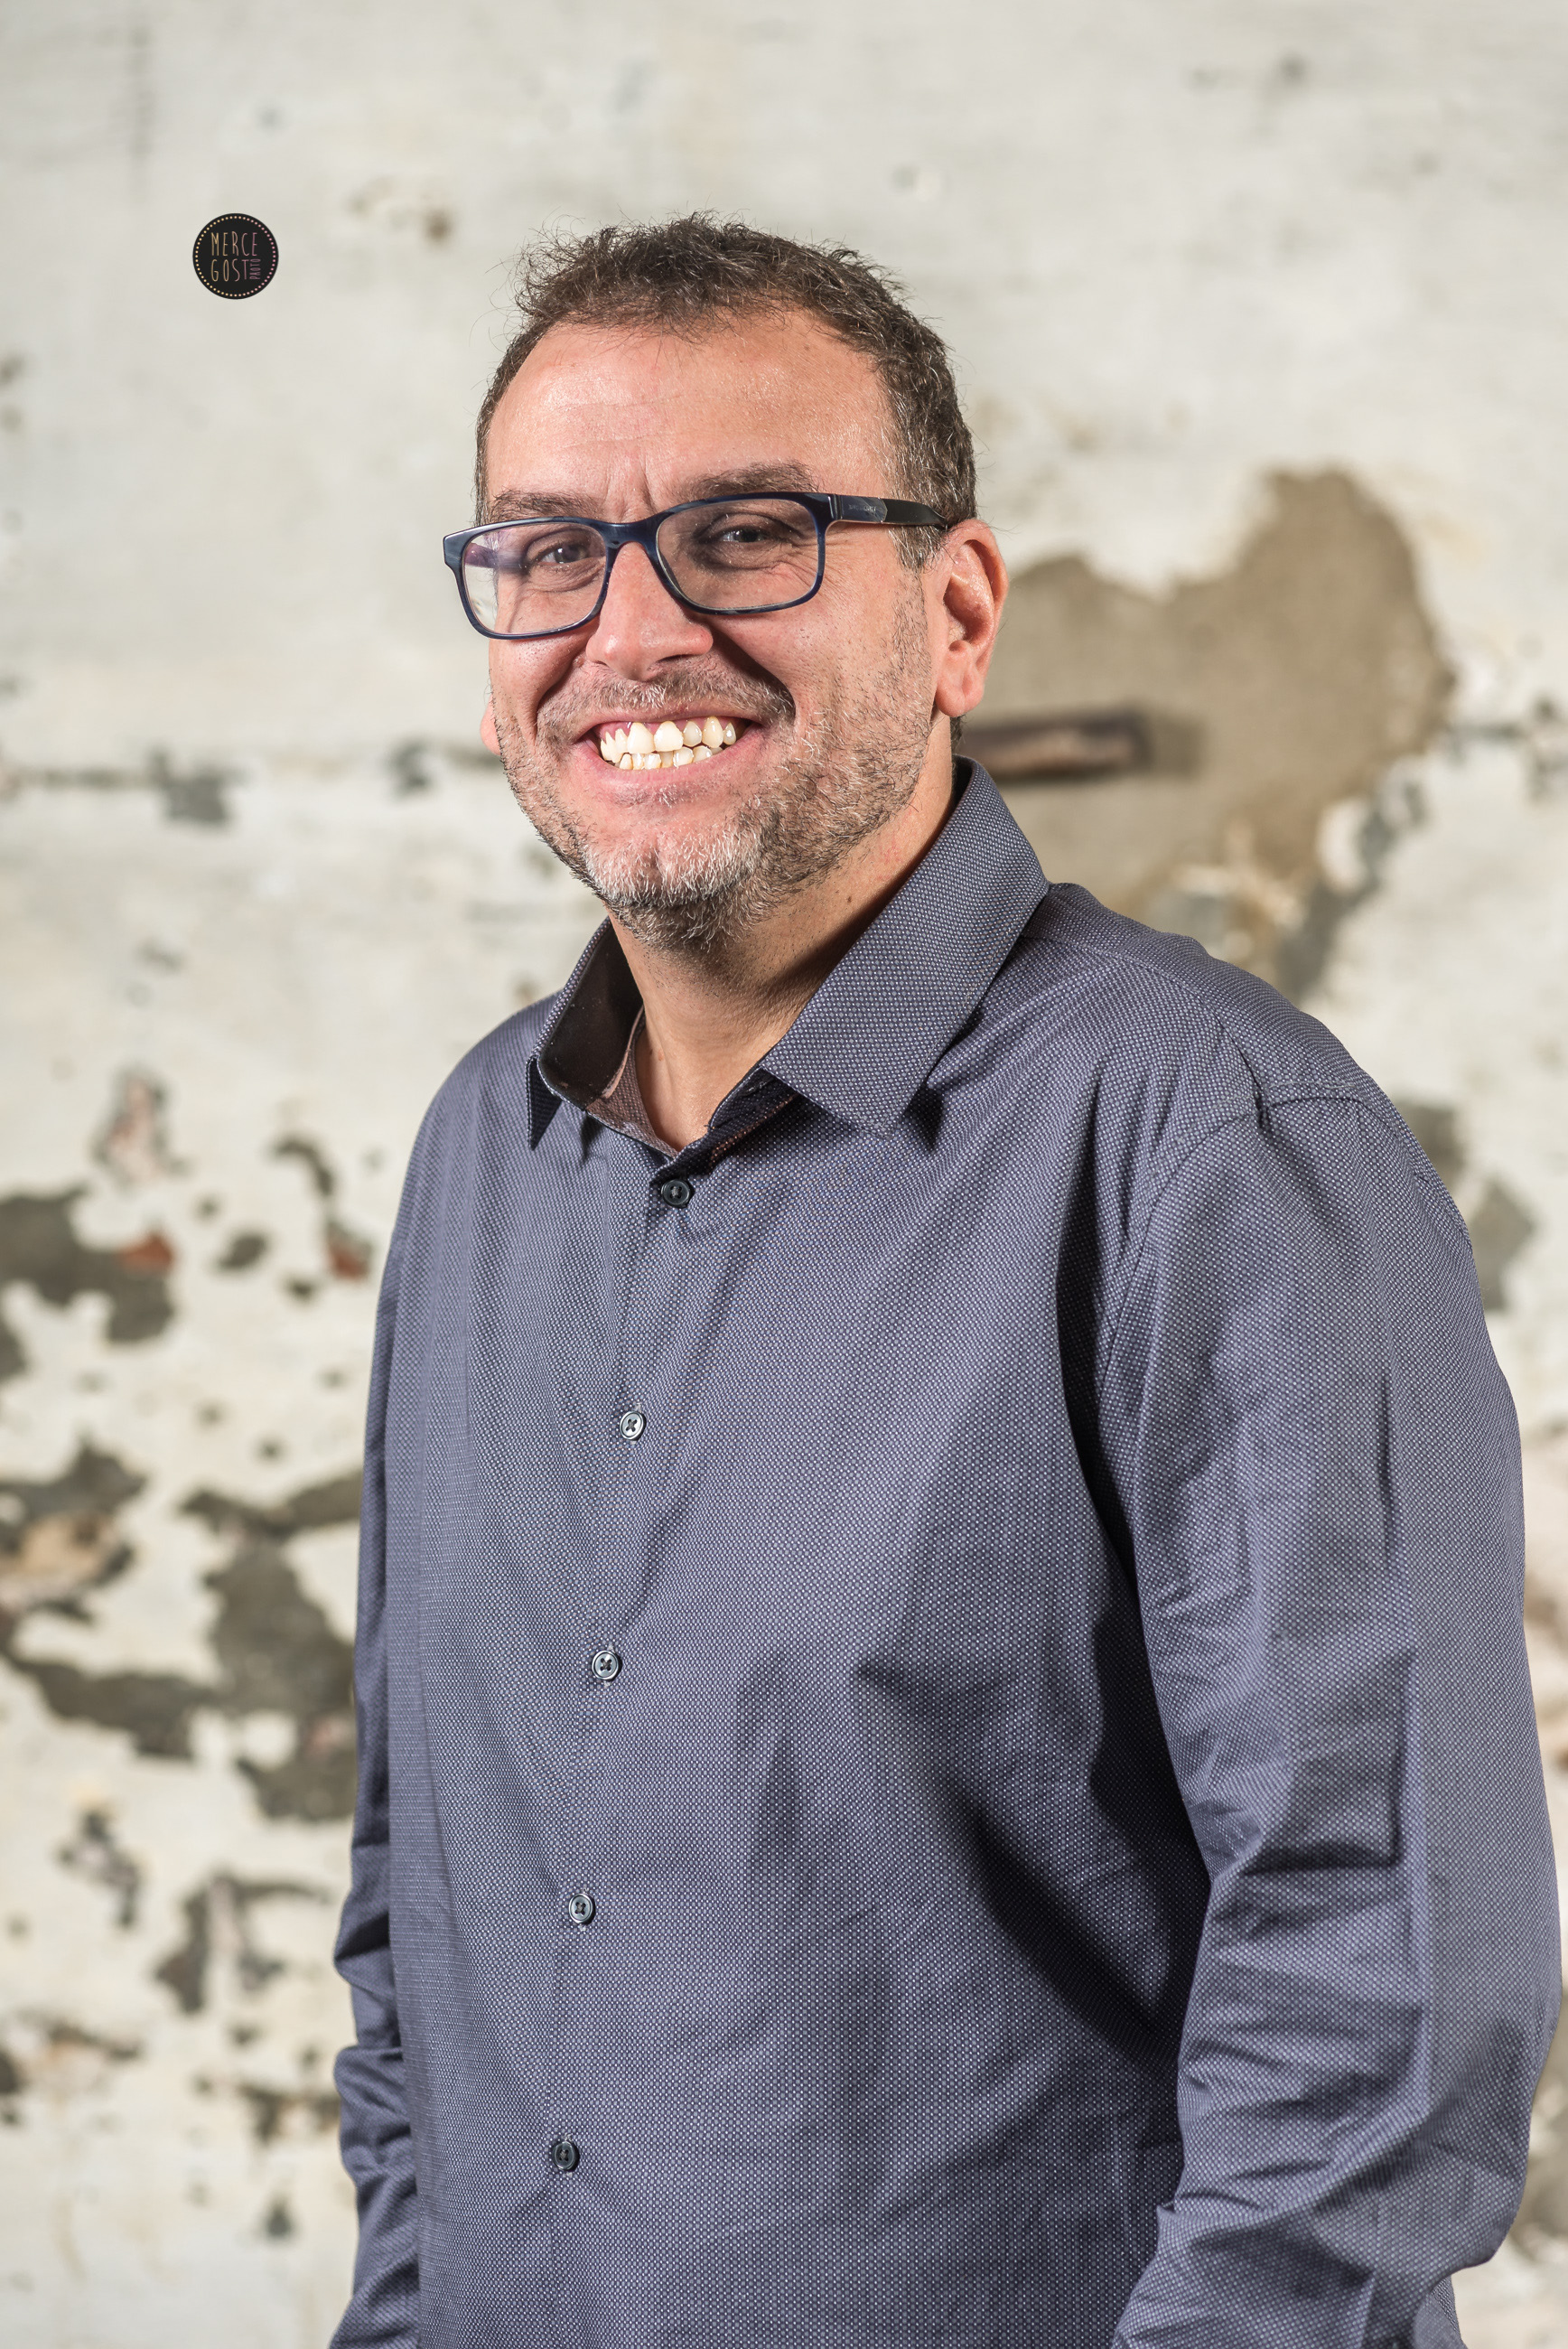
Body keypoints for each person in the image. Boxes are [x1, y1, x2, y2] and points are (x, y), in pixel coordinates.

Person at [331, 217, 1557, 2349]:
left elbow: (1379, 1993)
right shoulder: (479, 1156)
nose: (633, 630)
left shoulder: (1206, 1140)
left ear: (957, 610)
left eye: (747, 534)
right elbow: (421, 1909)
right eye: (548, 551)